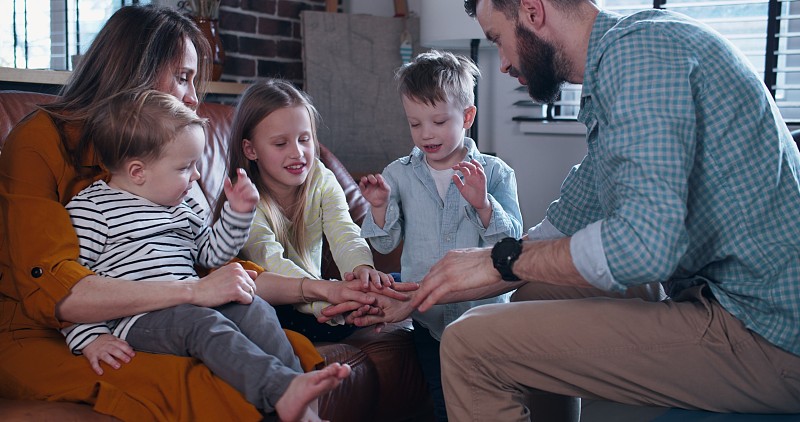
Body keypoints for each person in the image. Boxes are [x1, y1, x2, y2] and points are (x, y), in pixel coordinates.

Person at [344, 0, 800, 420]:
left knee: (468, 343)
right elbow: (556, 228)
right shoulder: (631, 59)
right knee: (527, 293)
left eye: (499, 38)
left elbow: (645, 247)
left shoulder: (638, 59)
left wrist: (499, 260)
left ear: (532, 11)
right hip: (726, 297)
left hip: (766, 330)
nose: (501, 62)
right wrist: (423, 293)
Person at [0, 5, 349, 421]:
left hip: (179, 309)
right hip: (50, 335)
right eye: (182, 77)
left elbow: (216, 264)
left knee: (256, 341)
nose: (193, 97)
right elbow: (55, 289)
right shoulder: (41, 140)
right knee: (213, 376)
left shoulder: (172, 157)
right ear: (135, 68)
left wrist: (322, 289)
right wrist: (194, 294)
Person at [59, 89, 350, 421]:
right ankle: (283, 391)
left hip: (192, 304)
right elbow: (70, 285)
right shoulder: (92, 210)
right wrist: (89, 338)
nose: (197, 176)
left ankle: (302, 404)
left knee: (255, 308)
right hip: (136, 320)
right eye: (185, 167)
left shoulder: (182, 207)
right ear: (138, 172)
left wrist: (238, 214)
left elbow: (213, 254)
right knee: (203, 324)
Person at [358, 49, 523, 422]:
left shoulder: (495, 174)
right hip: (427, 318)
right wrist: (381, 206)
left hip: (486, 317)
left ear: (467, 117)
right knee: (443, 401)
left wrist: (483, 205)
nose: (426, 134)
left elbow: (512, 246)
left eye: (437, 121)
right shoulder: (398, 175)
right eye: (415, 124)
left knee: (494, 396)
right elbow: (384, 244)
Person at [219, 79, 412, 343]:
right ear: (251, 150)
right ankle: (351, 310)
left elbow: (344, 231)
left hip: (323, 292)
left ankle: (356, 306)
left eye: (304, 139)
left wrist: (362, 273)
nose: (297, 153)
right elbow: (270, 263)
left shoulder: (321, 178)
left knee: (404, 282)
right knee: (266, 311)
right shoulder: (242, 201)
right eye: (280, 144)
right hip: (280, 301)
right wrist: (331, 299)